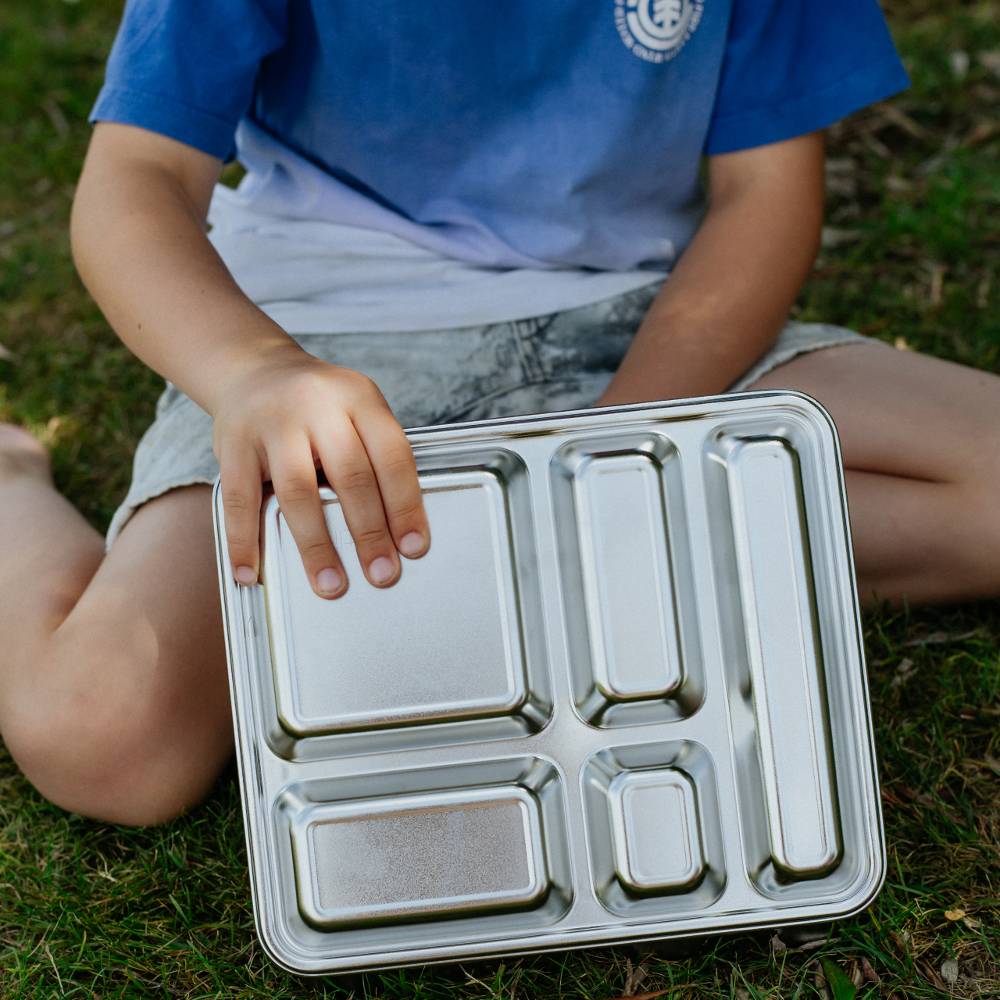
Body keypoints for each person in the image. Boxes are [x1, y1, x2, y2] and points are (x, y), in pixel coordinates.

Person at [1, 0, 997, 827]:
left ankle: (498, 577)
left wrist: (621, 446)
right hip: (324, 340)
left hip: (643, 330)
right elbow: (133, 184)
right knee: (105, 736)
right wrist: (257, 372)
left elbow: (764, 195)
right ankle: (10, 482)